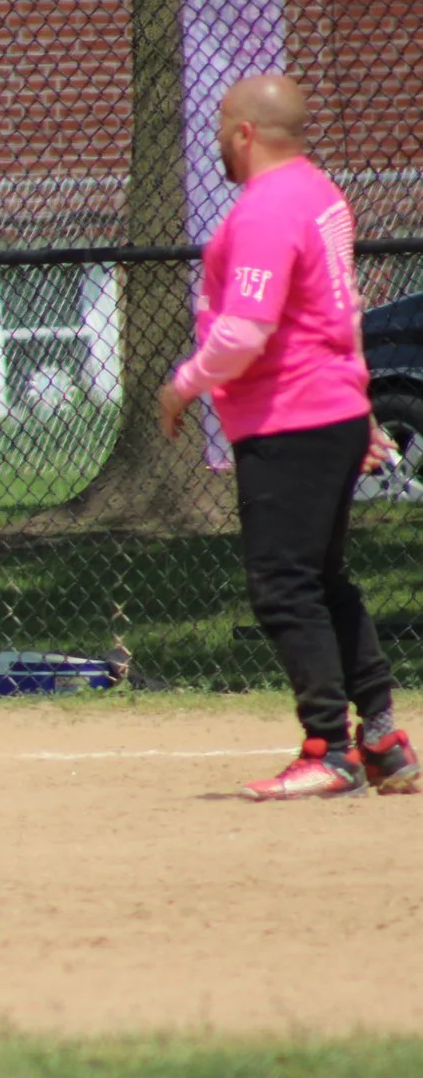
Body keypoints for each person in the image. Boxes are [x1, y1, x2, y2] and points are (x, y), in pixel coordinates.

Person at [157, 74, 414, 801]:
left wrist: (182, 384)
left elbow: (245, 329)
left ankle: (328, 748)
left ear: (245, 132)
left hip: (290, 417)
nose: (216, 138)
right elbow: (342, 311)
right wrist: (358, 406)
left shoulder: (267, 208)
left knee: (284, 587)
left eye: (221, 125)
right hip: (329, 407)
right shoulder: (321, 194)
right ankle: (382, 741)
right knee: (322, 580)